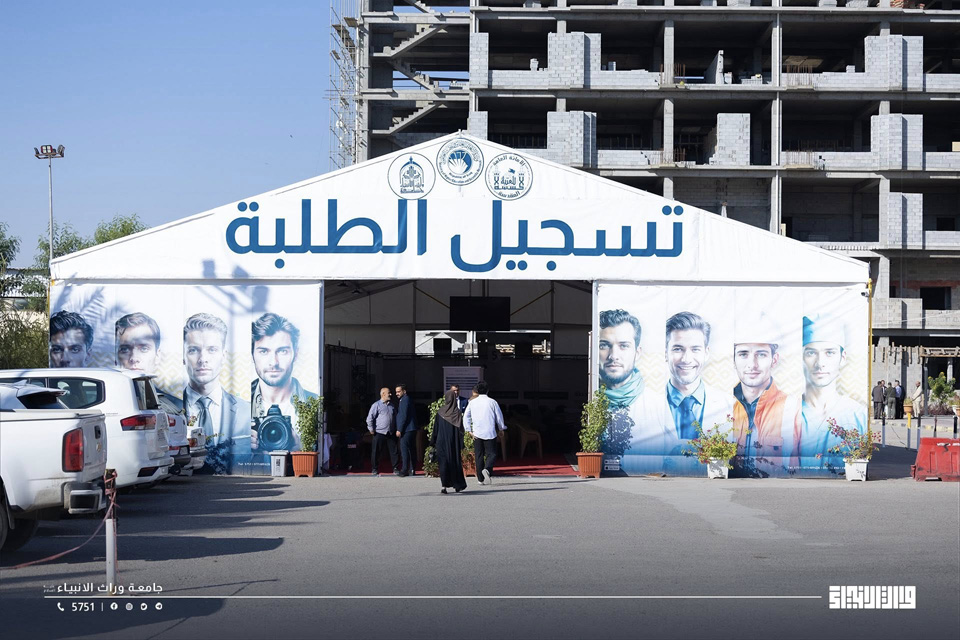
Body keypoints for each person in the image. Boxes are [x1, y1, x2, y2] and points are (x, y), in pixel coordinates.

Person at [729, 315, 800, 478]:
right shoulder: (722, 405)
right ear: (733, 360)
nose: (752, 365)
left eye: (761, 354)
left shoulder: (793, 409)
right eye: (743, 354)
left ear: (774, 360)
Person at [797, 314, 866, 470]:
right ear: (801, 357)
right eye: (811, 353)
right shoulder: (787, 413)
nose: (820, 363)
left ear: (843, 357)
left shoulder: (858, 416)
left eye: (829, 353)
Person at [181, 313, 251, 456]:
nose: (203, 359)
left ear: (223, 356)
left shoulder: (246, 411)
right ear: (183, 356)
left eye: (212, 350)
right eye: (193, 350)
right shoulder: (169, 409)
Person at [250, 313, 319, 453]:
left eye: (282, 351)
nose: (273, 362)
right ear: (252, 355)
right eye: (263, 351)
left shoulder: (313, 403)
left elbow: (323, 452)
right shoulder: (238, 406)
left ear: (295, 354)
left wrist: (300, 449)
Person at [598, 309, 645, 409]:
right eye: (604, 345)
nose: (613, 356)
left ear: (637, 353)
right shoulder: (587, 398)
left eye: (624, 346)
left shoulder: (657, 404)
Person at [463, 381, 505, 485]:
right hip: (490, 432)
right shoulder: (492, 402)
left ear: (477, 390)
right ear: (487, 390)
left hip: (477, 432)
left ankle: (480, 479)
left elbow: (466, 416)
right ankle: (487, 469)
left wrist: (469, 430)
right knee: (492, 454)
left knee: (479, 455)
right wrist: (501, 428)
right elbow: (499, 417)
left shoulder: (472, 402)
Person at [430, 389, 468, 494]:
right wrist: (461, 444)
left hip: (441, 442)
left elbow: (435, 429)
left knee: (443, 463)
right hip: (453, 443)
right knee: (455, 463)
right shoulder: (457, 413)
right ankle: (457, 485)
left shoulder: (440, 413)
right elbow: (461, 431)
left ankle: (444, 486)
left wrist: (432, 442)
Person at [366, 387, 400, 476]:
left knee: (394, 451)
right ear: (383, 394)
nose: (390, 394)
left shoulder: (392, 406)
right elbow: (370, 418)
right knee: (376, 452)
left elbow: (396, 418)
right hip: (379, 432)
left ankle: (395, 468)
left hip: (391, 432)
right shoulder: (376, 405)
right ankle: (374, 469)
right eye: (389, 393)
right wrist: (371, 429)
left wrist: (397, 428)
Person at [395, 383, 418, 477]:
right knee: (411, 449)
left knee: (404, 449)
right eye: (396, 392)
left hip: (407, 429)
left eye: (399, 391)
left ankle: (405, 469)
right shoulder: (407, 399)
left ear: (404, 391)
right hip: (411, 428)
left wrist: (399, 429)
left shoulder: (404, 400)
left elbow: (403, 416)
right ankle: (412, 469)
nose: (397, 393)